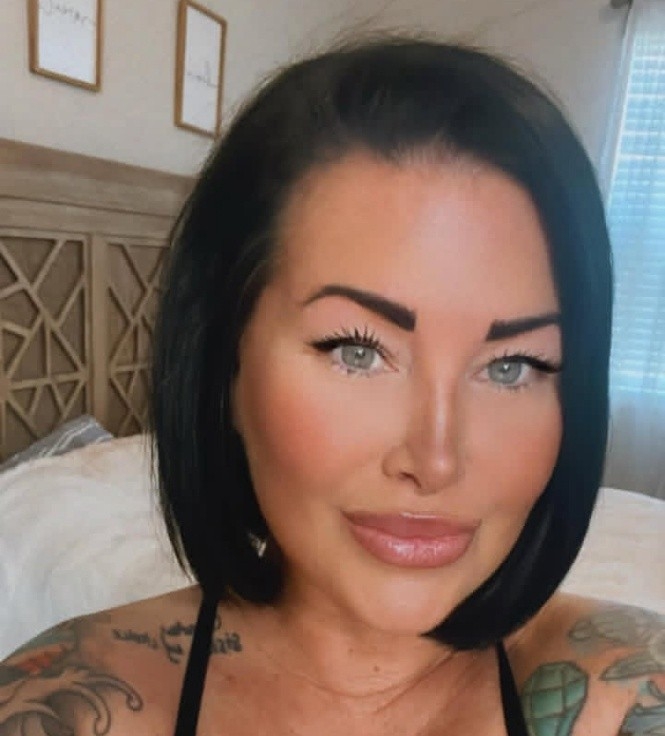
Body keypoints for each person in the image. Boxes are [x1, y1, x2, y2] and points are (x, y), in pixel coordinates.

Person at [1, 36, 663, 736]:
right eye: (357, 351)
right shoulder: (65, 707)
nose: (436, 461)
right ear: (225, 366)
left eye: (510, 366)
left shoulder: (627, 694)